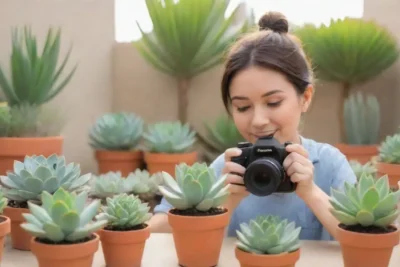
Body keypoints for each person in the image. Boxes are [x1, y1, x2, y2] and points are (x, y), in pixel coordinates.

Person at [149, 11, 357, 241]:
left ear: (305, 97)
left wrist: (310, 192)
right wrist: (226, 200)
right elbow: (158, 229)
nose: (258, 120)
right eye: (242, 107)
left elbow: (368, 240)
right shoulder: (224, 170)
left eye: (273, 102)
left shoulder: (329, 165)